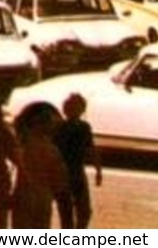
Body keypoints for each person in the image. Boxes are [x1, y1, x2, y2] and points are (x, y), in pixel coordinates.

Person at [10, 102, 68, 229]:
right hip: (44, 195)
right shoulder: (52, 149)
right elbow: (60, 174)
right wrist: (58, 191)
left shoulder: (24, 145)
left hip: (24, 193)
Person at [52, 93, 99, 229]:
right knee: (67, 209)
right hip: (65, 171)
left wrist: (98, 169)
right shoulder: (60, 127)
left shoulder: (83, 127)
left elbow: (90, 148)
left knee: (80, 210)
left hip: (76, 170)